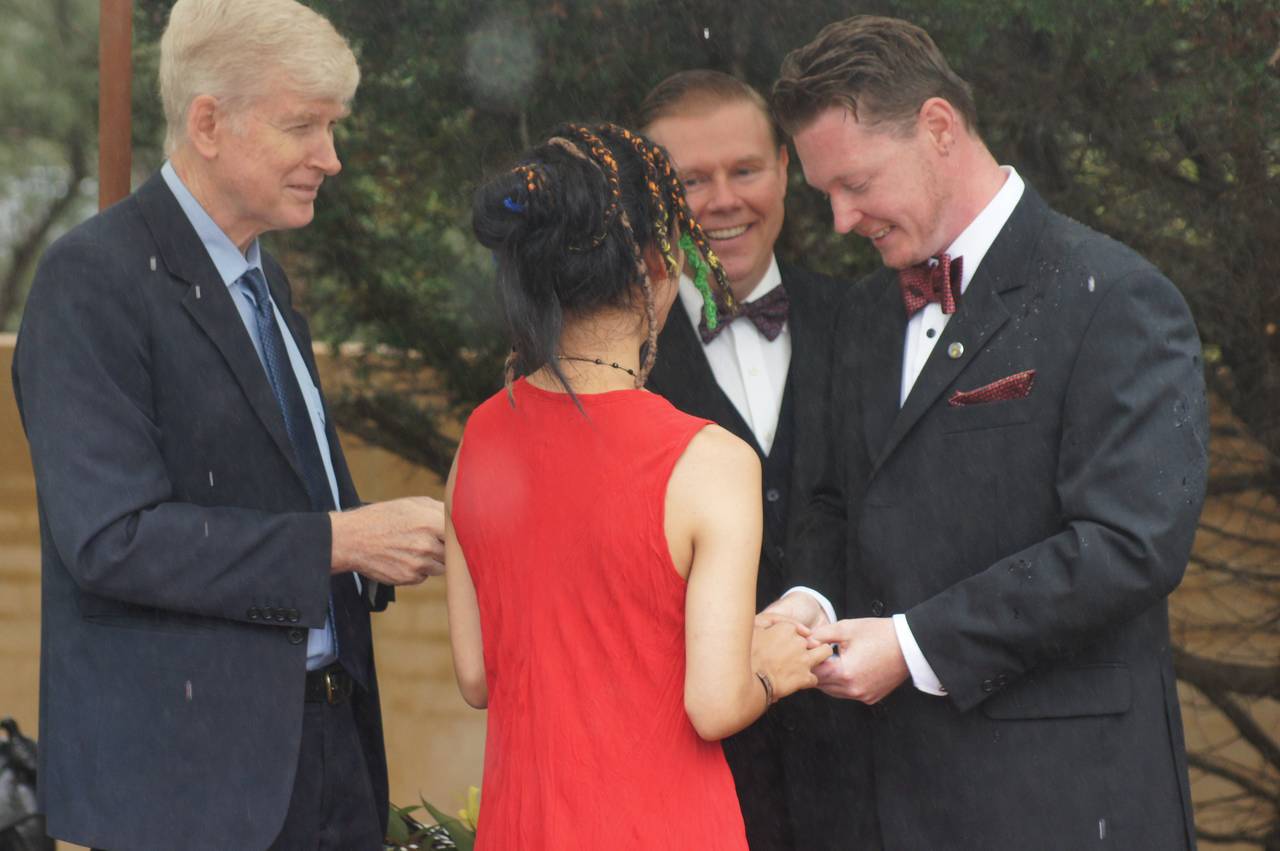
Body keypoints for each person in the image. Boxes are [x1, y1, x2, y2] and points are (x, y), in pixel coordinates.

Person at [762, 15, 1210, 850]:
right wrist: (805, 603)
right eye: (825, 193)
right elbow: (828, 499)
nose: (841, 218)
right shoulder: (862, 315)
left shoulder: (1117, 298)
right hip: (884, 804)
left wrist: (913, 645)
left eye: (855, 183)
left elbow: (1129, 545)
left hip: (1066, 806)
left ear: (938, 127)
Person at [11, 1, 445, 848]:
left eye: (333, 127)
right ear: (207, 123)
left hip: (328, 756)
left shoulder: (265, 282)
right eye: (303, 126)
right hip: (191, 792)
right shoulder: (89, 280)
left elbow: (281, 494)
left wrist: (410, 536)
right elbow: (112, 539)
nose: (331, 157)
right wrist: (342, 541)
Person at [445, 122, 832, 849]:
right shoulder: (710, 460)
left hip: (524, 825)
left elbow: (476, 675)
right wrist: (772, 665)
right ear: (660, 261)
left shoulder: (481, 436)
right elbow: (714, 704)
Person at [638, 71, 874, 850]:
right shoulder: (619, 361)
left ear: (783, 167)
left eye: (744, 170)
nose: (722, 200)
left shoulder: (866, 322)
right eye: (690, 182)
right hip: (687, 779)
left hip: (863, 773)